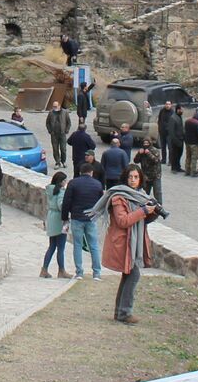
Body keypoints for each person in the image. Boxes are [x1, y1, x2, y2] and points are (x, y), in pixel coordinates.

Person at [102, 165, 160, 324]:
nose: (133, 180)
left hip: (133, 242)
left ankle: (120, 312)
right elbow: (123, 221)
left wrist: (152, 212)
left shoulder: (140, 196)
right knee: (133, 274)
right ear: (125, 178)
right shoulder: (118, 197)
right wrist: (143, 211)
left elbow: (142, 220)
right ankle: (124, 313)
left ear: (140, 178)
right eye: (130, 177)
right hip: (123, 242)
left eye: (136, 177)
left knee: (128, 275)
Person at [63, 163, 105, 279]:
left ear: (80, 172)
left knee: (77, 244)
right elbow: (100, 202)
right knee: (94, 245)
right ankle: (96, 273)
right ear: (91, 173)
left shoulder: (73, 183)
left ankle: (79, 272)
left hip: (77, 217)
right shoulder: (97, 184)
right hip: (91, 218)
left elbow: (66, 201)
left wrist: (65, 217)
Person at [41, 171, 69, 278]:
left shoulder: (50, 190)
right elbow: (61, 205)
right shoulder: (61, 192)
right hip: (60, 220)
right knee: (61, 247)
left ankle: (44, 269)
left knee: (52, 246)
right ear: (61, 182)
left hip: (51, 217)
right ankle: (61, 270)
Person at [133, 138, 164, 208]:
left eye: (147, 143)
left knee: (157, 192)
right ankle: (143, 205)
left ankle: (159, 205)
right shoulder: (142, 151)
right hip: (145, 176)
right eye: (144, 143)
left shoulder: (155, 150)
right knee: (145, 192)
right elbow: (136, 161)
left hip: (156, 175)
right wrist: (139, 154)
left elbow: (156, 160)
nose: (145, 145)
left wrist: (148, 153)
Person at [158, 102, 181, 171]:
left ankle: (170, 161)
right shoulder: (162, 111)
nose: (167, 105)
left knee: (170, 147)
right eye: (166, 104)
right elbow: (159, 119)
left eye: (169, 104)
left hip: (169, 133)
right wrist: (160, 127)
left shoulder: (172, 113)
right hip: (162, 132)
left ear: (171, 105)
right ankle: (163, 159)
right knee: (163, 146)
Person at [45, 103, 69, 168]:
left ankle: (63, 161)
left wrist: (66, 130)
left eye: (55, 106)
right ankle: (57, 162)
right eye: (53, 106)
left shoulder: (65, 112)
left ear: (59, 106)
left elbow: (68, 122)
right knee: (55, 149)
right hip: (54, 134)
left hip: (62, 134)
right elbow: (47, 123)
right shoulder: (51, 113)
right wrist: (50, 130)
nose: (54, 107)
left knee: (63, 149)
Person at [182, 108, 198, 175]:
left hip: (187, 142)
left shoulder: (187, 121)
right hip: (194, 143)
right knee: (194, 157)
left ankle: (187, 170)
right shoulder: (197, 123)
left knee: (188, 156)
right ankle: (193, 171)